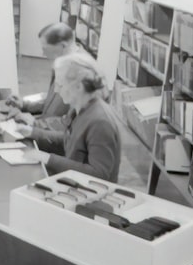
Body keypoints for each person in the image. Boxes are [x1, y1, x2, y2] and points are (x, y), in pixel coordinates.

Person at [0, 22, 77, 143]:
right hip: (44, 128)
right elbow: (51, 99)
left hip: (53, 137)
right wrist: (25, 104)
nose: (43, 54)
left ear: (63, 46)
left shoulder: (78, 72)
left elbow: (70, 122)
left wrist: (34, 122)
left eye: (45, 49)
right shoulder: (62, 62)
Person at [20, 52, 121, 182]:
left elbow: (99, 174)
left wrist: (48, 158)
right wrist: (33, 132)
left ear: (79, 87)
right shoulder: (81, 108)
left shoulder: (100, 122)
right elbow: (71, 140)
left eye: (60, 85)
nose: (56, 90)